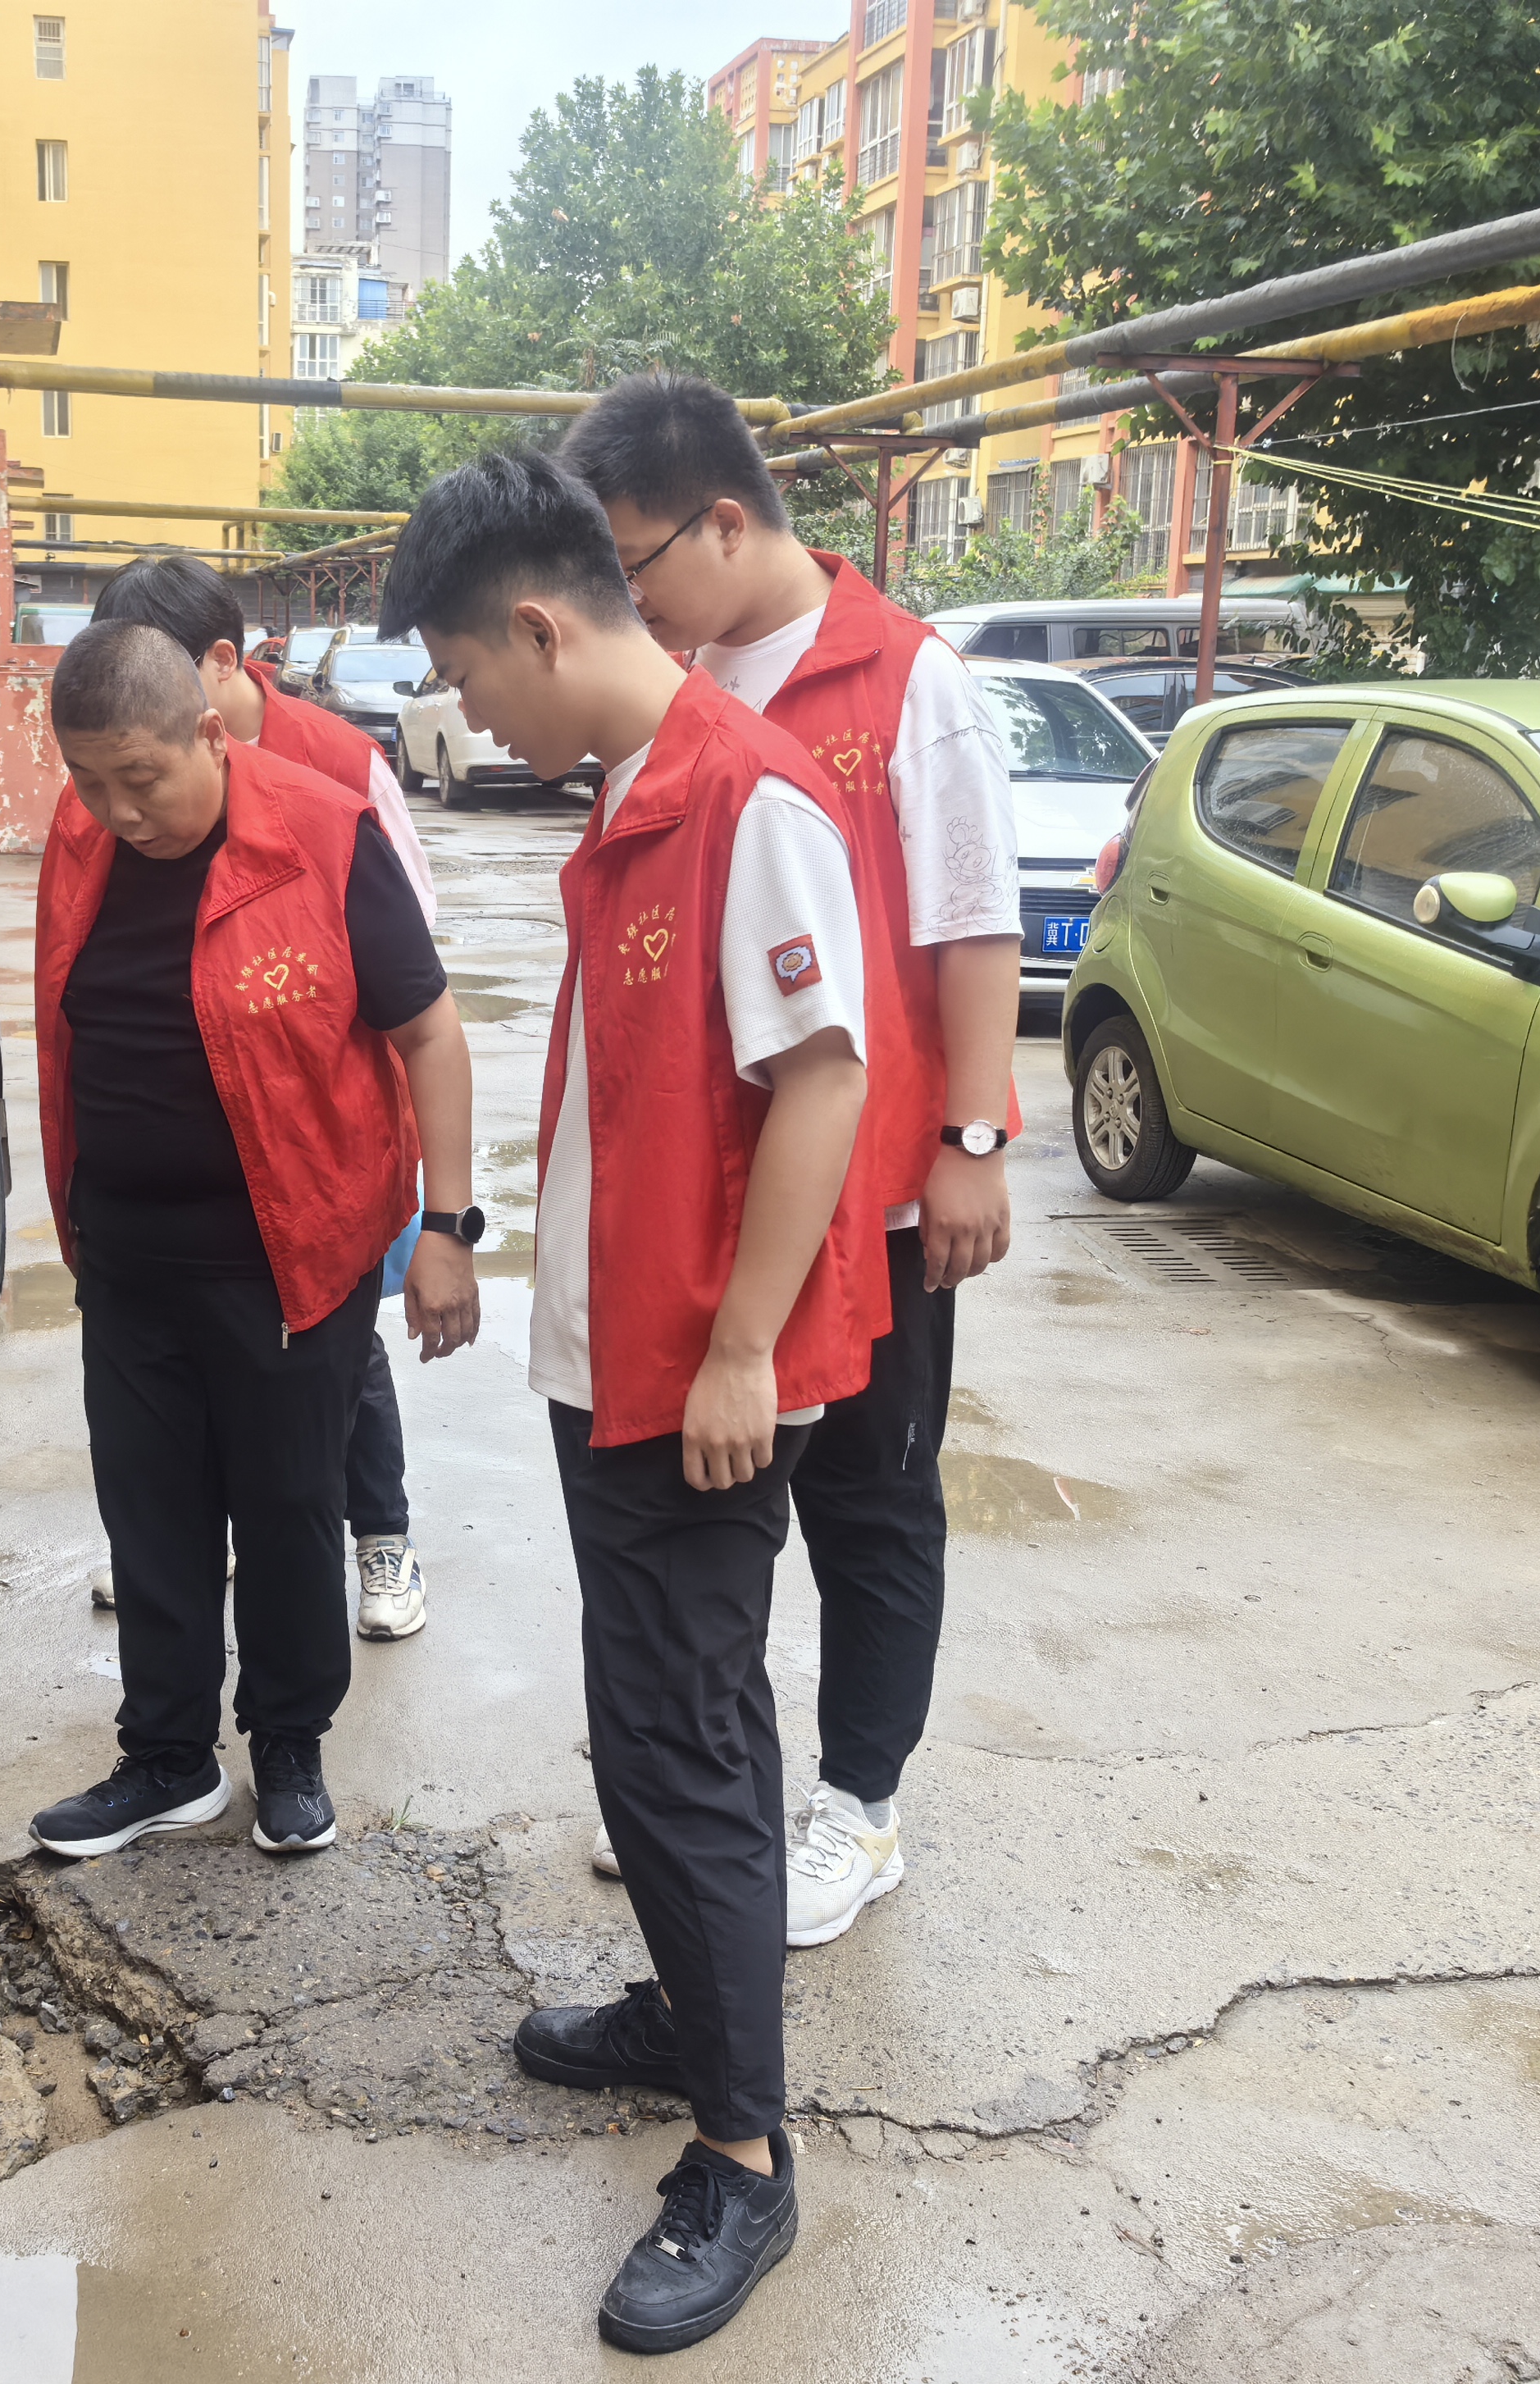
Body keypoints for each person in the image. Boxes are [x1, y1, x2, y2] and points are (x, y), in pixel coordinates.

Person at [379, 452, 884, 2354]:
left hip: (697, 1383)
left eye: (466, 677)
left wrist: (742, 1346)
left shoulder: (748, 800)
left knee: (679, 1742)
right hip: (624, 1366)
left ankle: (743, 2160)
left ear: (535, 626)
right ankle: (690, 2009)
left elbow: (823, 1076)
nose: (471, 716)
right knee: (665, 1724)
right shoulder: (633, 793)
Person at [559, 374, 1023, 1950]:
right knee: (722, 1517)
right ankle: (717, 1796)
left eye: (634, 564)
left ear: (724, 521)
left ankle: (861, 1806)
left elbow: (972, 921)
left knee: (874, 1509)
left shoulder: (903, 678)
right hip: (726, 1196)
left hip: (877, 1190)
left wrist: (971, 1139)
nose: (626, 600)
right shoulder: (671, 686)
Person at [28, 622, 481, 1861]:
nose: (117, 813)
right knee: (151, 1516)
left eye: (141, 779)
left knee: (287, 1511)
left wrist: (447, 1228)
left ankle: (288, 1744)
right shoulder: (83, 838)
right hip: (129, 1258)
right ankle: (168, 1758)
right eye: (89, 783)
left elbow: (430, 1034)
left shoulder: (324, 834)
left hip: (292, 1260)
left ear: (208, 734)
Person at [85, 554, 440, 1646]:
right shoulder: (113, 811)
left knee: (339, 1363)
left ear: (217, 670)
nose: (121, 807)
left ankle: (380, 1537)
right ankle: (219, 1537)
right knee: (238, 1429)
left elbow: (413, 982)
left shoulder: (338, 771)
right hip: (171, 1239)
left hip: (327, 1146)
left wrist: (435, 1205)